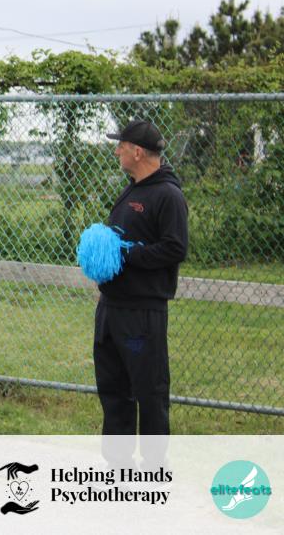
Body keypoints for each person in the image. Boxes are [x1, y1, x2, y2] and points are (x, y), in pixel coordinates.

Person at [95, 119, 187, 444]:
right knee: (113, 390)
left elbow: (175, 248)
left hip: (141, 314)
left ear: (137, 152)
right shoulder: (132, 188)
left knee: (149, 393)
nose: (116, 151)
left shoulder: (168, 194)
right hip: (111, 308)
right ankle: (118, 464)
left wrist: (127, 254)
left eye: (120, 146)